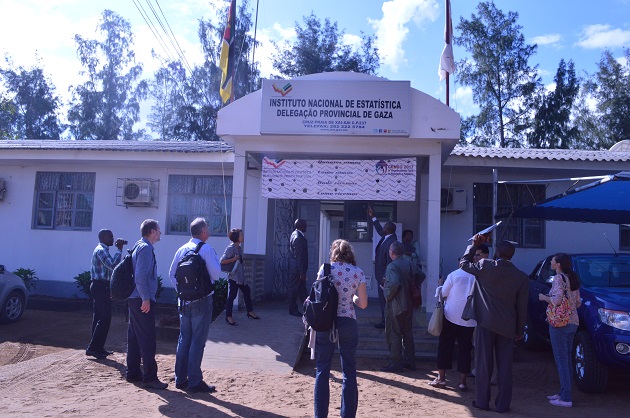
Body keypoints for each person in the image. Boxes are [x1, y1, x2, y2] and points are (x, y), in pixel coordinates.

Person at [459, 236, 529, 413]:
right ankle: (502, 405)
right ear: (512, 256)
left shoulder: (485, 266)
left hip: (486, 322)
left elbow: (464, 264)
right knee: (505, 367)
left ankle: (482, 402)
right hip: (507, 326)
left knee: (483, 364)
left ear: (497, 253)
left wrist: (473, 246)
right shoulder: (521, 276)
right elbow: (522, 307)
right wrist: (520, 330)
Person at [314, 239, 368, 418]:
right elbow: (363, 304)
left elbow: (318, 295)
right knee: (349, 371)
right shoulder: (357, 273)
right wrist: (351, 299)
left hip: (325, 321)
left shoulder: (325, 269)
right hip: (347, 320)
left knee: (322, 370)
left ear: (334, 253)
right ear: (349, 253)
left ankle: (320, 415)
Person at [168, 217, 222, 393]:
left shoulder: (181, 250)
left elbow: (172, 274)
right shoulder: (206, 249)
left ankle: (180, 379)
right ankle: (195, 381)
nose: (209, 231)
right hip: (202, 301)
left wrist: (183, 292)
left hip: (183, 301)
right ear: (203, 232)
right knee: (198, 341)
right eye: (207, 228)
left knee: (184, 339)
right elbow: (215, 275)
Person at [429, 245, 488, 390]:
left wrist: (440, 286)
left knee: (445, 347)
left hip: (451, 316)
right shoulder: (480, 276)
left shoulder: (454, 274)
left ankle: (441, 378)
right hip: (470, 320)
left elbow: (443, 294)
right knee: (465, 350)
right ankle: (462, 382)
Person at [125, 219, 168, 390]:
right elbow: (140, 277)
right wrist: (146, 298)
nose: (160, 233)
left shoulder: (139, 246)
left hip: (135, 298)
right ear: (152, 231)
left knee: (135, 337)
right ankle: (150, 377)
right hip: (141, 299)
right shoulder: (146, 248)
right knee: (148, 338)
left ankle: (133, 372)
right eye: (158, 230)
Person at [538, 253, 581, 408]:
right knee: (567, 359)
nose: (551, 261)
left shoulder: (558, 279)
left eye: (553, 260)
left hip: (559, 323)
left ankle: (566, 397)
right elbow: (577, 302)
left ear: (558, 264)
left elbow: (555, 301)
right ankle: (564, 392)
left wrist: (543, 297)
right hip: (573, 322)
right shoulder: (573, 278)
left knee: (561, 360)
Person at [381, 241, 424, 372]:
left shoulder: (392, 266)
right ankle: (410, 361)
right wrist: (412, 286)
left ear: (391, 252)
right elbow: (421, 275)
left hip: (396, 304)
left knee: (394, 332)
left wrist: (386, 293)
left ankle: (395, 363)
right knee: (407, 332)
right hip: (409, 303)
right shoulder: (409, 263)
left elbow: (394, 283)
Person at [86, 229, 125, 359]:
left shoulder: (104, 250)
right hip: (100, 286)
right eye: (110, 237)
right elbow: (113, 265)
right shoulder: (101, 250)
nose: (112, 239)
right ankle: (93, 348)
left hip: (101, 286)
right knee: (105, 318)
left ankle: (98, 347)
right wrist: (119, 250)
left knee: (98, 317)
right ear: (102, 238)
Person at [221, 228, 260, 325]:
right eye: (241, 235)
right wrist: (234, 258)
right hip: (233, 277)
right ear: (236, 237)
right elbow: (222, 261)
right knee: (232, 296)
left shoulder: (239, 247)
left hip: (240, 277)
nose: (243, 237)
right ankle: (228, 316)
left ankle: (250, 312)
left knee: (247, 291)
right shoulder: (230, 248)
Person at [368, 206, 397, 329]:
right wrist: (373, 217)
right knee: (382, 300)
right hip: (381, 276)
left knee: (385, 300)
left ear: (389, 230)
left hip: (384, 278)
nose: (383, 228)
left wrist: (385, 278)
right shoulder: (387, 237)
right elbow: (379, 230)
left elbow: (390, 262)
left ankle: (386, 322)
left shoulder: (391, 242)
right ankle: (384, 320)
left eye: (385, 226)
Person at [288, 219, 308, 317]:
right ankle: (292, 309)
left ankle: (308, 309)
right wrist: (302, 273)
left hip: (296, 267)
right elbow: (299, 256)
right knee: (295, 289)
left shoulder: (294, 234)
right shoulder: (298, 238)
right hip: (297, 269)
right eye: (305, 225)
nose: (306, 226)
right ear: (301, 226)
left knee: (302, 290)